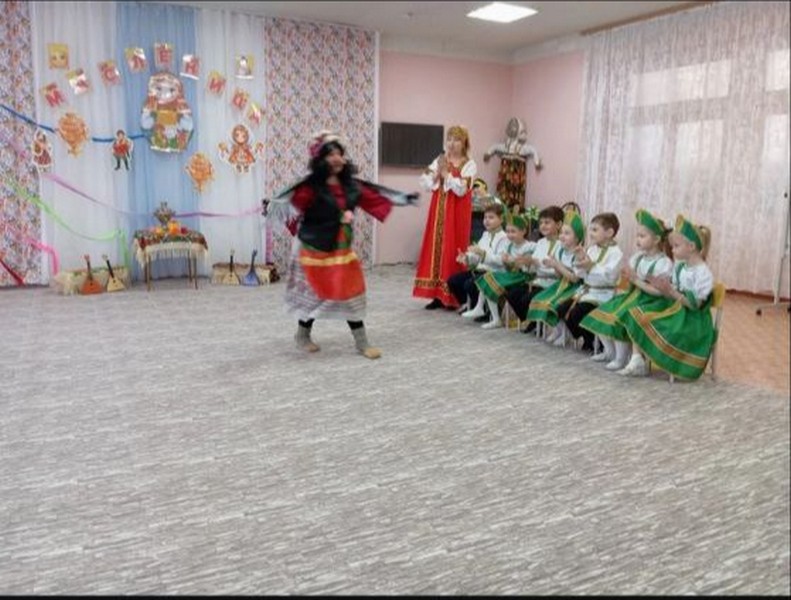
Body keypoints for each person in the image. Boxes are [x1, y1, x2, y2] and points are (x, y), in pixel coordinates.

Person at [266, 131, 417, 359]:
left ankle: (362, 343)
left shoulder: (351, 186)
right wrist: (272, 206)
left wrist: (404, 199)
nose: (337, 158)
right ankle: (302, 336)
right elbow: (289, 205)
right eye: (330, 154)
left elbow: (375, 196)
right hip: (314, 250)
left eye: (340, 154)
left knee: (351, 294)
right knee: (315, 297)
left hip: (341, 251)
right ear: (320, 159)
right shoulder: (309, 187)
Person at [619, 215, 715, 379]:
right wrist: (661, 287)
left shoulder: (703, 273)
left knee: (648, 318)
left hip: (693, 320)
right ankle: (637, 359)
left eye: (676, 246)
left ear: (691, 247)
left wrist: (670, 291)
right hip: (677, 310)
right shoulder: (680, 266)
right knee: (638, 314)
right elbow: (672, 292)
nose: (672, 250)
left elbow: (695, 305)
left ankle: (649, 360)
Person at [580, 208, 673, 372]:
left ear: (657, 239)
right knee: (604, 311)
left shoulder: (663, 263)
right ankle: (610, 352)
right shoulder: (637, 258)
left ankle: (621, 358)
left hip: (652, 301)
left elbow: (659, 292)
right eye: (638, 235)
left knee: (622, 315)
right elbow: (628, 280)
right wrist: (628, 278)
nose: (638, 239)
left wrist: (634, 279)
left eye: (642, 236)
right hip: (633, 296)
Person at [413, 125, 477, 310]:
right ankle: (437, 295)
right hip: (439, 211)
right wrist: (436, 176)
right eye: (449, 139)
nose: (452, 143)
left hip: (456, 213)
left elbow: (462, 189)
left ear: (464, 143)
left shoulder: (469, 164)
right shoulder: (440, 159)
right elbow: (425, 180)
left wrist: (446, 175)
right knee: (436, 248)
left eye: (456, 140)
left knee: (452, 248)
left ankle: (453, 295)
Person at [554, 212, 623, 353]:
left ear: (609, 233)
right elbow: (580, 274)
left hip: (604, 294)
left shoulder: (616, 253)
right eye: (590, 229)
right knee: (562, 308)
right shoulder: (592, 249)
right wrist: (580, 259)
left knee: (579, 313)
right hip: (587, 291)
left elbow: (610, 276)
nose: (590, 233)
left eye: (595, 230)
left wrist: (591, 266)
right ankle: (588, 339)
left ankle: (596, 344)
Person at [526, 209, 586, 344]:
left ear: (577, 238)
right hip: (562, 284)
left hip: (575, 288)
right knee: (541, 299)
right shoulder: (561, 251)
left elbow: (575, 278)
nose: (562, 236)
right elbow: (559, 276)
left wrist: (557, 265)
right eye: (562, 233)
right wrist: (554, 266)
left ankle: (566, 334)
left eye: (567, 233)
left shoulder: (578, 253)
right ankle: (558, 330)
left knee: (558, 304)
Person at [503, 205, 564, 328]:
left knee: (527, 299)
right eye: (541, 223)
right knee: (512, 294)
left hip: (553, 284)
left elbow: (557, 270)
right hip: (537, 281)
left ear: (559, 225)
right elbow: (532, 268)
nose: (543, 226)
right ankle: (530, 321)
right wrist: (526, 263)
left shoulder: (562, 244)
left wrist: (537, 264)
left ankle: (533, 322)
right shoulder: (540, 243)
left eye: (547, 222)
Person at [475, 210, 536, 329]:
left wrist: (513, 261)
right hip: (511, 274)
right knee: (487, 279)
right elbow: (508, 266)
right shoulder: (509, 245)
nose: (509, 235)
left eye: (513, 231)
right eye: (507, 231)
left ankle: (491, 314)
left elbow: (527, 267)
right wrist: (506, 261)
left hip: (523, 276)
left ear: (523, 231)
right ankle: (494, 317)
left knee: (491, 280)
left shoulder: (529, 246)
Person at [451, 203, 508, 324]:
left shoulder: (505, 238)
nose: (487, 220)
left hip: (493, 272)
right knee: (453, 281)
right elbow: (476, 257)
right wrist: (466, 257)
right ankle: (469, 305)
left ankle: (486, 311)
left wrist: (482, 254)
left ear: (501, 219)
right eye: (485, 217)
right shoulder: (485, 235)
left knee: (470, 284)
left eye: (491, 217)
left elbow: (500, 261)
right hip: (480, 270)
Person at [482, 117, 541, 210]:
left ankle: (515, 209)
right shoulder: (506, 146)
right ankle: (502, 209)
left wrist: (537, 162)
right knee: (503, 191)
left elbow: (533, 150)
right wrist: (488, 153)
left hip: (517, 174)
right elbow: (495, 147)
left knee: (516, 192)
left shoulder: (522, 148)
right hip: (505, 173)